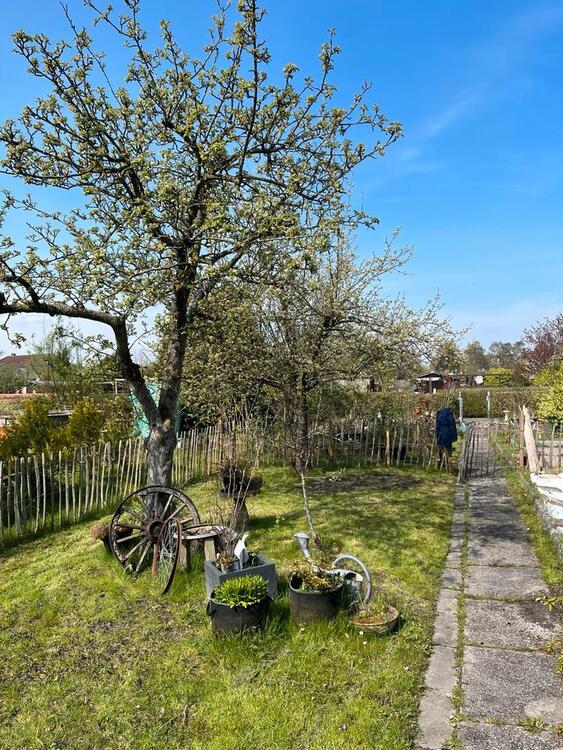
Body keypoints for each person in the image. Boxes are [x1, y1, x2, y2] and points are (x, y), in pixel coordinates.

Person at [435, 406, 458, 470]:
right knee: (449, 452)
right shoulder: (449, 415)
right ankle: (449, 466)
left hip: (441, 436)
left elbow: (437, 426)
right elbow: (453, 427)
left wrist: (437, 435)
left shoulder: (439, 414)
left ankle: (442, 464)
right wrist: (454, 438)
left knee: (441, 450)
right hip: (448, 437)